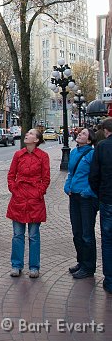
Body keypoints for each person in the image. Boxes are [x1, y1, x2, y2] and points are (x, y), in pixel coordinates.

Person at [7, 128, 50, 278]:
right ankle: (16, 265)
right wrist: (14, 190)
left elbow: (46, 178)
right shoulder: (18, 154)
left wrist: (39, 192)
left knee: (33, 235)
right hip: (18, 198)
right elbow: (11, 175)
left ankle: (34, 266)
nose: (27, 135)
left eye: (31, 134)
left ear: (37, 140)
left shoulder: (43, 156)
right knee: (17, 234)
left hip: (34, 200)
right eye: (28, 133)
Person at [64, 128, 98, 279]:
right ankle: (81, 261)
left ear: (89, 140)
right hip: (74, 196)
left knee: (87, 234)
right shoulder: (73, 153)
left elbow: (96, 175)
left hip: (87, 198)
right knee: (76, 232)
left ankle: (88, 267)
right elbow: (71, 173)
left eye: (84, 134)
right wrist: (68, 187)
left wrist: (87, 190)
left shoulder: (92, 154)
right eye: (80, 132)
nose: (80, 134)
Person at [89, 118, 112, 294]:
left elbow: (94, 176)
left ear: (105, 131)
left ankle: (110, 279)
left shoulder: (102, 147)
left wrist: (100, 193)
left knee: (108, 239)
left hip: (107, 198)